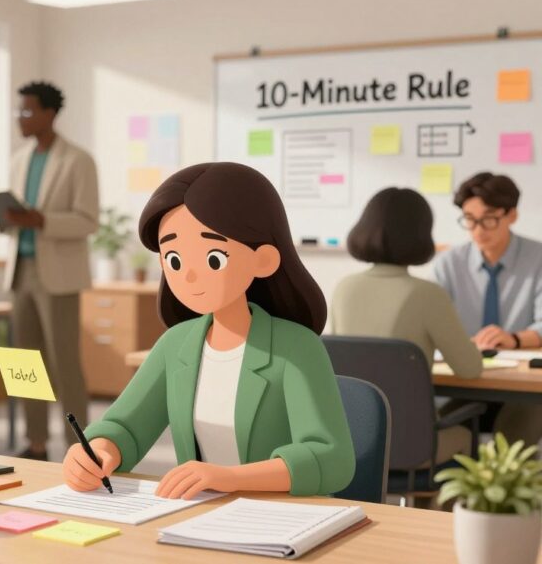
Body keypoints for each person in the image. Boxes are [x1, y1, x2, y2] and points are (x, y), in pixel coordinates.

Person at [63, 162, 355, 499]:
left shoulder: (296, 347)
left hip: (283, 520)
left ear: (264, 259)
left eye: (214, 258)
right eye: (174, 259)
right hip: (199, 517)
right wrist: (99, 451)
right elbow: (125, 425)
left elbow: (331, 459)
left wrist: (231, 478)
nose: (188, 276)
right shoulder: (176, 345)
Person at [331, 187, 482, 461]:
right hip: (414, 449)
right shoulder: (427, 294)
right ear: (421, 234)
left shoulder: (344, 288)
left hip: (354, 446)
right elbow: (470, 368)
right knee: (466, 435)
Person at [4, 81, 99, 461]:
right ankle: (36, 441)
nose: (20, 118)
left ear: (49, 113)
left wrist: (41, 220)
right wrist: (5, 218)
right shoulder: (17, 160)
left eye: (27, 111)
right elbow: (16, 218)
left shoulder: (78, 160)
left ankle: (80, 444)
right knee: (24, 363)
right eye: (18, 111)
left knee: (63, 363)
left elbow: (87, 220)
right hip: (20, 270)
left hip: (58, 275)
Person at [434, 172, 542, 445]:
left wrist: (514, 338)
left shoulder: (538, 258)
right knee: (435, 432)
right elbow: (433, 324)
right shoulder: (448, 263)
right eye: (470, 219)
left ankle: (511, 486)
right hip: (464, 378)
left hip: (521, 384)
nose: (479, 230)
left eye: (489, 218)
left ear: (512, 215)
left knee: (519, 432)